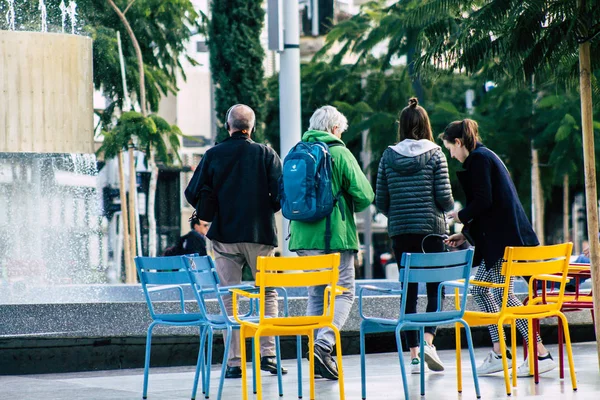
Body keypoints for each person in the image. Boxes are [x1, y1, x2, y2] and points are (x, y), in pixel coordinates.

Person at [441, 119, 556, 377]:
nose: (452, 155)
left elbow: (484, 201)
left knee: (491, 292)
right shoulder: (486, 156)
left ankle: (523, 352)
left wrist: (460, 216)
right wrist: (465, 234)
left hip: (503, 242)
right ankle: (512, 351)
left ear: (458, 143)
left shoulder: (479, 160)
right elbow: (491, 208)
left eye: (450, 149)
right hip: (504, 239)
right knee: (491, 292)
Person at [184, 104, 284, 379]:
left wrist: (216, 207)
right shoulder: (266, 153)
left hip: (225, 236)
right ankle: (269, 356)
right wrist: (263, 210)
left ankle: (234, 363)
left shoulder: (213, 154)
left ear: (228, 126)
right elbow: (280, 195)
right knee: (268, 294)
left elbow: (192, 192)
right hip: (261, 235)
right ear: (251, 127)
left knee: (230, 298)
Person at [288, 105, 374, 380]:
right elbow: (365, 195)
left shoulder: (298, 151)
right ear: (335, 129)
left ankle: (315, 352)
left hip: (302, 238)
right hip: (333, 237)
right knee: (344, 292)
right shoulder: (339, 152)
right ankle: (324, 345)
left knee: (316, 293)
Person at [375, 97, 454, 374]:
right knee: (435, 288)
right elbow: (445, 199)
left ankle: (415, 355)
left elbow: (380, 200)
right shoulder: (436, 154)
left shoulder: (388, 155)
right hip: (431, 232)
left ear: (403, 126)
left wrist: (399, 213)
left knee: (408, 290)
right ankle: (429, 342)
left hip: (401, 233)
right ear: (426, 125)